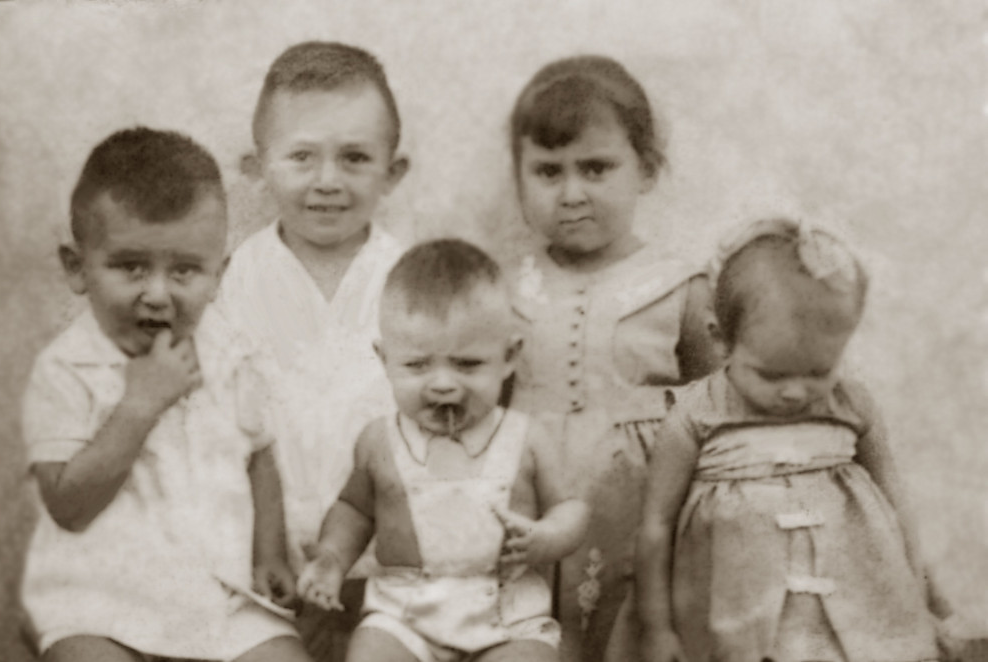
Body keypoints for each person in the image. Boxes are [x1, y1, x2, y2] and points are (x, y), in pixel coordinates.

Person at [21, 127, 310, 662]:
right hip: (97, 601)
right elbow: (67, 504)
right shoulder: (68, 368)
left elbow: (260, 454)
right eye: (131, 266)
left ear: (218, 276)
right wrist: (137, 408)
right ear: (77, 268)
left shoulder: (230, 353)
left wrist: (268, 552)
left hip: (219, 591)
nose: (157, 294)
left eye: (184, 270)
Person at [624, 218, 953, 662]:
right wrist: (658, 628)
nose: (796, 392)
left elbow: (895, 500)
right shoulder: (695, 414)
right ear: (721, 340)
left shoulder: (851, 403)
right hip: (737, 616)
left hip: (852, 608)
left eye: (819, 371)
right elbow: (655, 525)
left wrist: (920, 598)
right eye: (771, 374)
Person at [507, 54, 719, 660]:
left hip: (640, 501)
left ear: (646, 170)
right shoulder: (504, 289)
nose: (572, 194)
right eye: (548, 172)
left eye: (596, 168)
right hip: (531, 494)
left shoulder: (680, 285)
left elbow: (719, 410)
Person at [297, 239, 591, 662]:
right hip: (405, 613)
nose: (442, 384)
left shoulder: (526, 437)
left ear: (509, 357)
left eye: (467, 364)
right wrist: (331, 557)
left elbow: (570, 506)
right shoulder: (380, 440)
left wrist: (548, 537)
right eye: (417, 366)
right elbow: (354, 510)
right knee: (371, 653)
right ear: (384, 359)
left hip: (507, 613)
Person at [212, 41, 410, 659]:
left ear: (392, 171)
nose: (328, 181)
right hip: (262, 565)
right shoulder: (233, 281)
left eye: (354, 157)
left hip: (387, 573)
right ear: (257, 166)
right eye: (302, 157)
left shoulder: (413, 281)